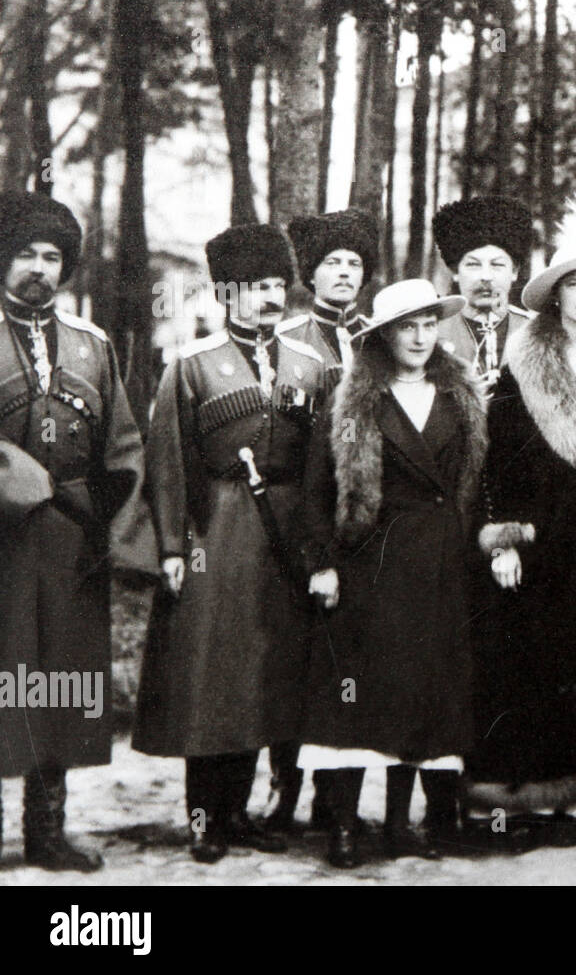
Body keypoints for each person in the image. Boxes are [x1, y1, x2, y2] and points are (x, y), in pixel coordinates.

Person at [133, 224, 328, 864]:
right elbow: (168, 465)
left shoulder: (310, 365)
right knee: (209, 678)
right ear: (224, 293)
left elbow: (321, 466)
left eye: (276, 285)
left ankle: (239, 812)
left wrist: (318, 548)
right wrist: (172, 547)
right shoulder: (190, 366)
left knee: (263, 677)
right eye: (253, 287)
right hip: (215, 534)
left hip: (285, 538)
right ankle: (202, 818)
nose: (268, 298)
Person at [468, 192, 576, 850]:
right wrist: (507, 538)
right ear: (556, 294)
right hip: (547, 541)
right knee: (539, 661)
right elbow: (500, 462)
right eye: (575, 283)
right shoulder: (524, 363)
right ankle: (534, 797)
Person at [296, 279, 486, 868]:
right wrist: (323, 563)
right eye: (408, 326)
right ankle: (346, 826)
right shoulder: (354, 401)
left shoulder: (461, 398)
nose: (421, 337)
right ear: (383, 335)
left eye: (430, 324)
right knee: (358, 694)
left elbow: (477, 487)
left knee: (431, 691)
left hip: (443, 563)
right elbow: (317, 489)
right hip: (371, 562)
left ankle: (414, 825)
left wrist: (489, 545)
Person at [0, 191, 152, 871]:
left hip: (70, 544)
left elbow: (123, 446)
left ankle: (48, 832)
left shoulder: (93, 346)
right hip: (1, 544)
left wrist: (103, 521)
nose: (38, 267)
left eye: (51, 256)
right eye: (25, 253)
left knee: (58, 683)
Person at [265, 206, 380, 832]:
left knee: (346, 662)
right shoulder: (287, 342)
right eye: (332, 263)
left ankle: (338, 805)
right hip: (294, 517)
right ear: (310, 275)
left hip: (361, 521)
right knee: (292, 657)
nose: (343, 273)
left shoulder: (380, 339)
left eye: (354, 264)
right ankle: (284, 790)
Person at [432, 195, 536, 391]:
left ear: (514, 272)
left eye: (497, 265)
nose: (486, 276)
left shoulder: (533, 331)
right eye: (473, 264)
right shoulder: (433, 331)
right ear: (455, 272)